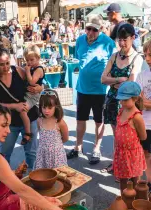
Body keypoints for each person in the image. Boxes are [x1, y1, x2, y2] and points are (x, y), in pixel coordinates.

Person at [67, 14, 116, 164]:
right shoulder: (80, 40)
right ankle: (78, 146)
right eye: (88, 29)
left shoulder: (108, 43)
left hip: (100, 90)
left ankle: (96, 148)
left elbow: (114, 64)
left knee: (98, 121)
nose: (90, 32)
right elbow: (79, 58)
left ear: (100, 29)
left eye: (94, 30)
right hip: (82, 88)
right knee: (80, 119)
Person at [0, 41, 42, 170]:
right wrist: (15, 106)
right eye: (1, 64)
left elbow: (36, 82)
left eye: (7, 63)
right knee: (4, 154)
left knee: (31, 153)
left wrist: (40, 87)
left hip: (29, 117)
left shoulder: (18, 71)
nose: (5, 67)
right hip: (9, 123)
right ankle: (5, 184)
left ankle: (33, 179)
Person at [101, 23, 143, 174]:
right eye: (120, 39)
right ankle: (117, 165)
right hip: (112, 102)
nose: (122, 43)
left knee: (129, 138)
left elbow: (131, 84)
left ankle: (131, 169)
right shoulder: (114, 56)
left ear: (133, 38)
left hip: (127, 105)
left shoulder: (137, 58)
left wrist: (115, 79)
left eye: (125, 39)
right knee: (117, 137)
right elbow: (103, 79)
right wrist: (119, 80)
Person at [113, 81, 147, 194]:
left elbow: (143, 136)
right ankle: (124, 202)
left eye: (125, 100)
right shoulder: (121, 111)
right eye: (121, 99)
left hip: (133, 154)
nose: (122, 102)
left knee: (135, 181)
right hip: (121, 153)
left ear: (135, 99)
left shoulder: (136, 117)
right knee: (123, 180)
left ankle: (136, 203)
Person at [34, 89, 68, 169]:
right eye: (44, 107)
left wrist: (55, 147)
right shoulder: (39, 121)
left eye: (50, 108)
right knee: (43, 177)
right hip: (42, 155)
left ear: (56, 106)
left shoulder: (60, 122)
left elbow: (65, 138)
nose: (46, 111)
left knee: (58, 178)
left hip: (57, 157)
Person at [20, 45, 44, 145]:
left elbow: (32, 82)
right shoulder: (33, 68)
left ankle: (27, 133)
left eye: (31, 60)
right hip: (28, 94)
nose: (29, 63)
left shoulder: (38, 69)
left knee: (23, 111)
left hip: (32, 96)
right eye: (27, 60)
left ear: (38, 58)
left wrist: (27, 71)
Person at [136, 40, 151, 190]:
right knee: (145, 154)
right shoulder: (142, 75)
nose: (147, 59)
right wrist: (144, 103)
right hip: (145, 124)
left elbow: (143, 101)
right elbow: (138, 101)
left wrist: (146, 103)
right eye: (146, 55)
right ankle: (147, 183)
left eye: (150, 55)